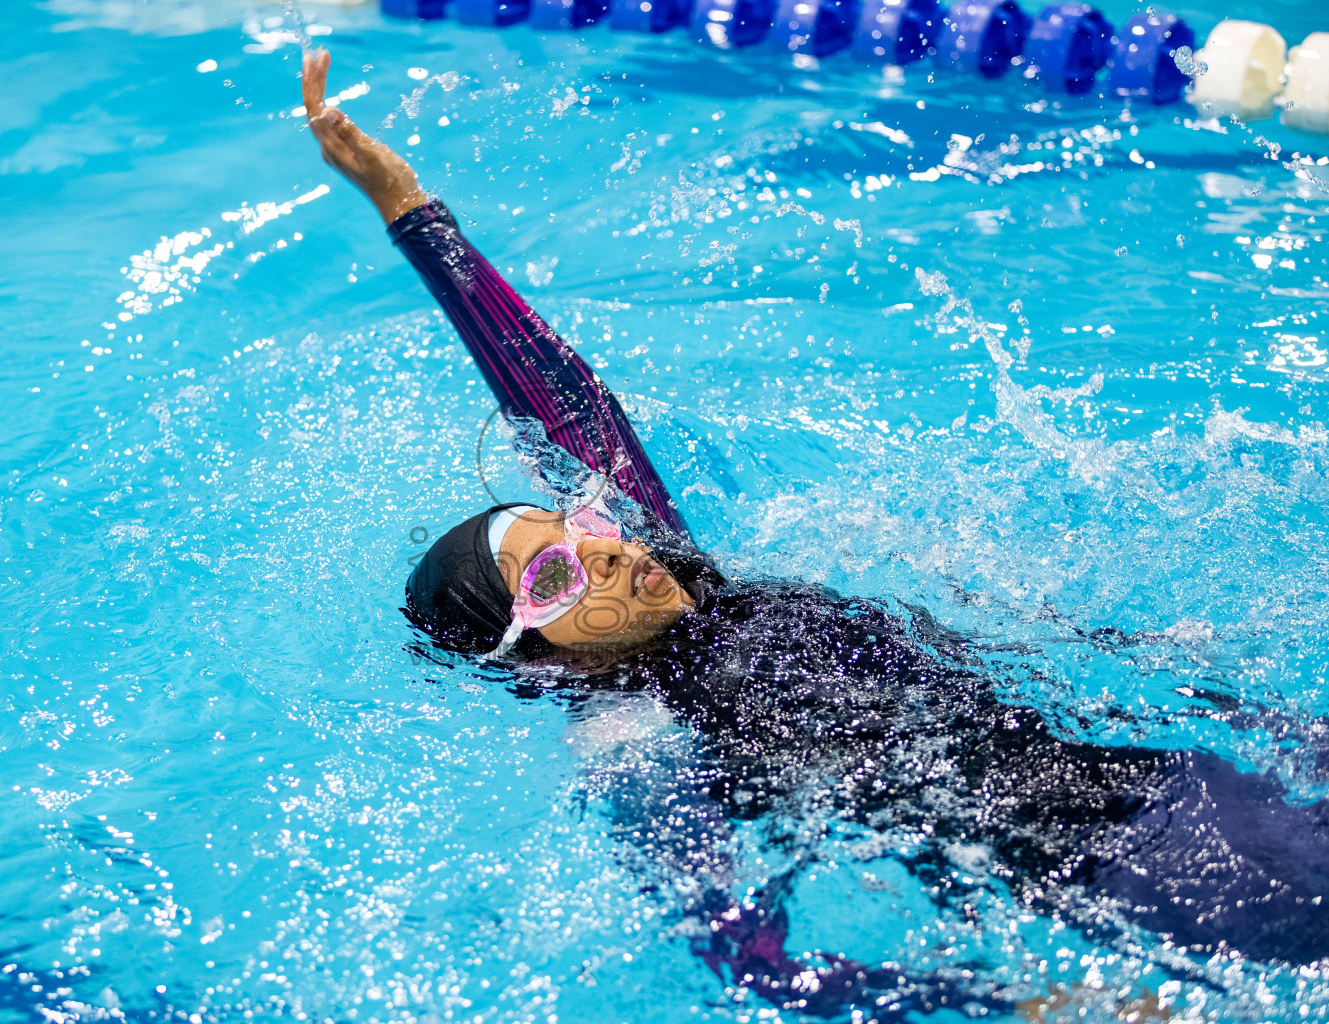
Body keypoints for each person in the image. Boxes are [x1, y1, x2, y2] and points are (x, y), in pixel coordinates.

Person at [299, 49, 1329, 1019]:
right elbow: (750, 959)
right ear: (538, 656)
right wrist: (1021, 1007)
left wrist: (410, 211)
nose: (607, 546)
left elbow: (567, 408)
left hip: (1167, 761)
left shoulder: (686, 579)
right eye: (558, 573)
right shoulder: (638, 742)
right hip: (1128, 863)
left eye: (578, 523)